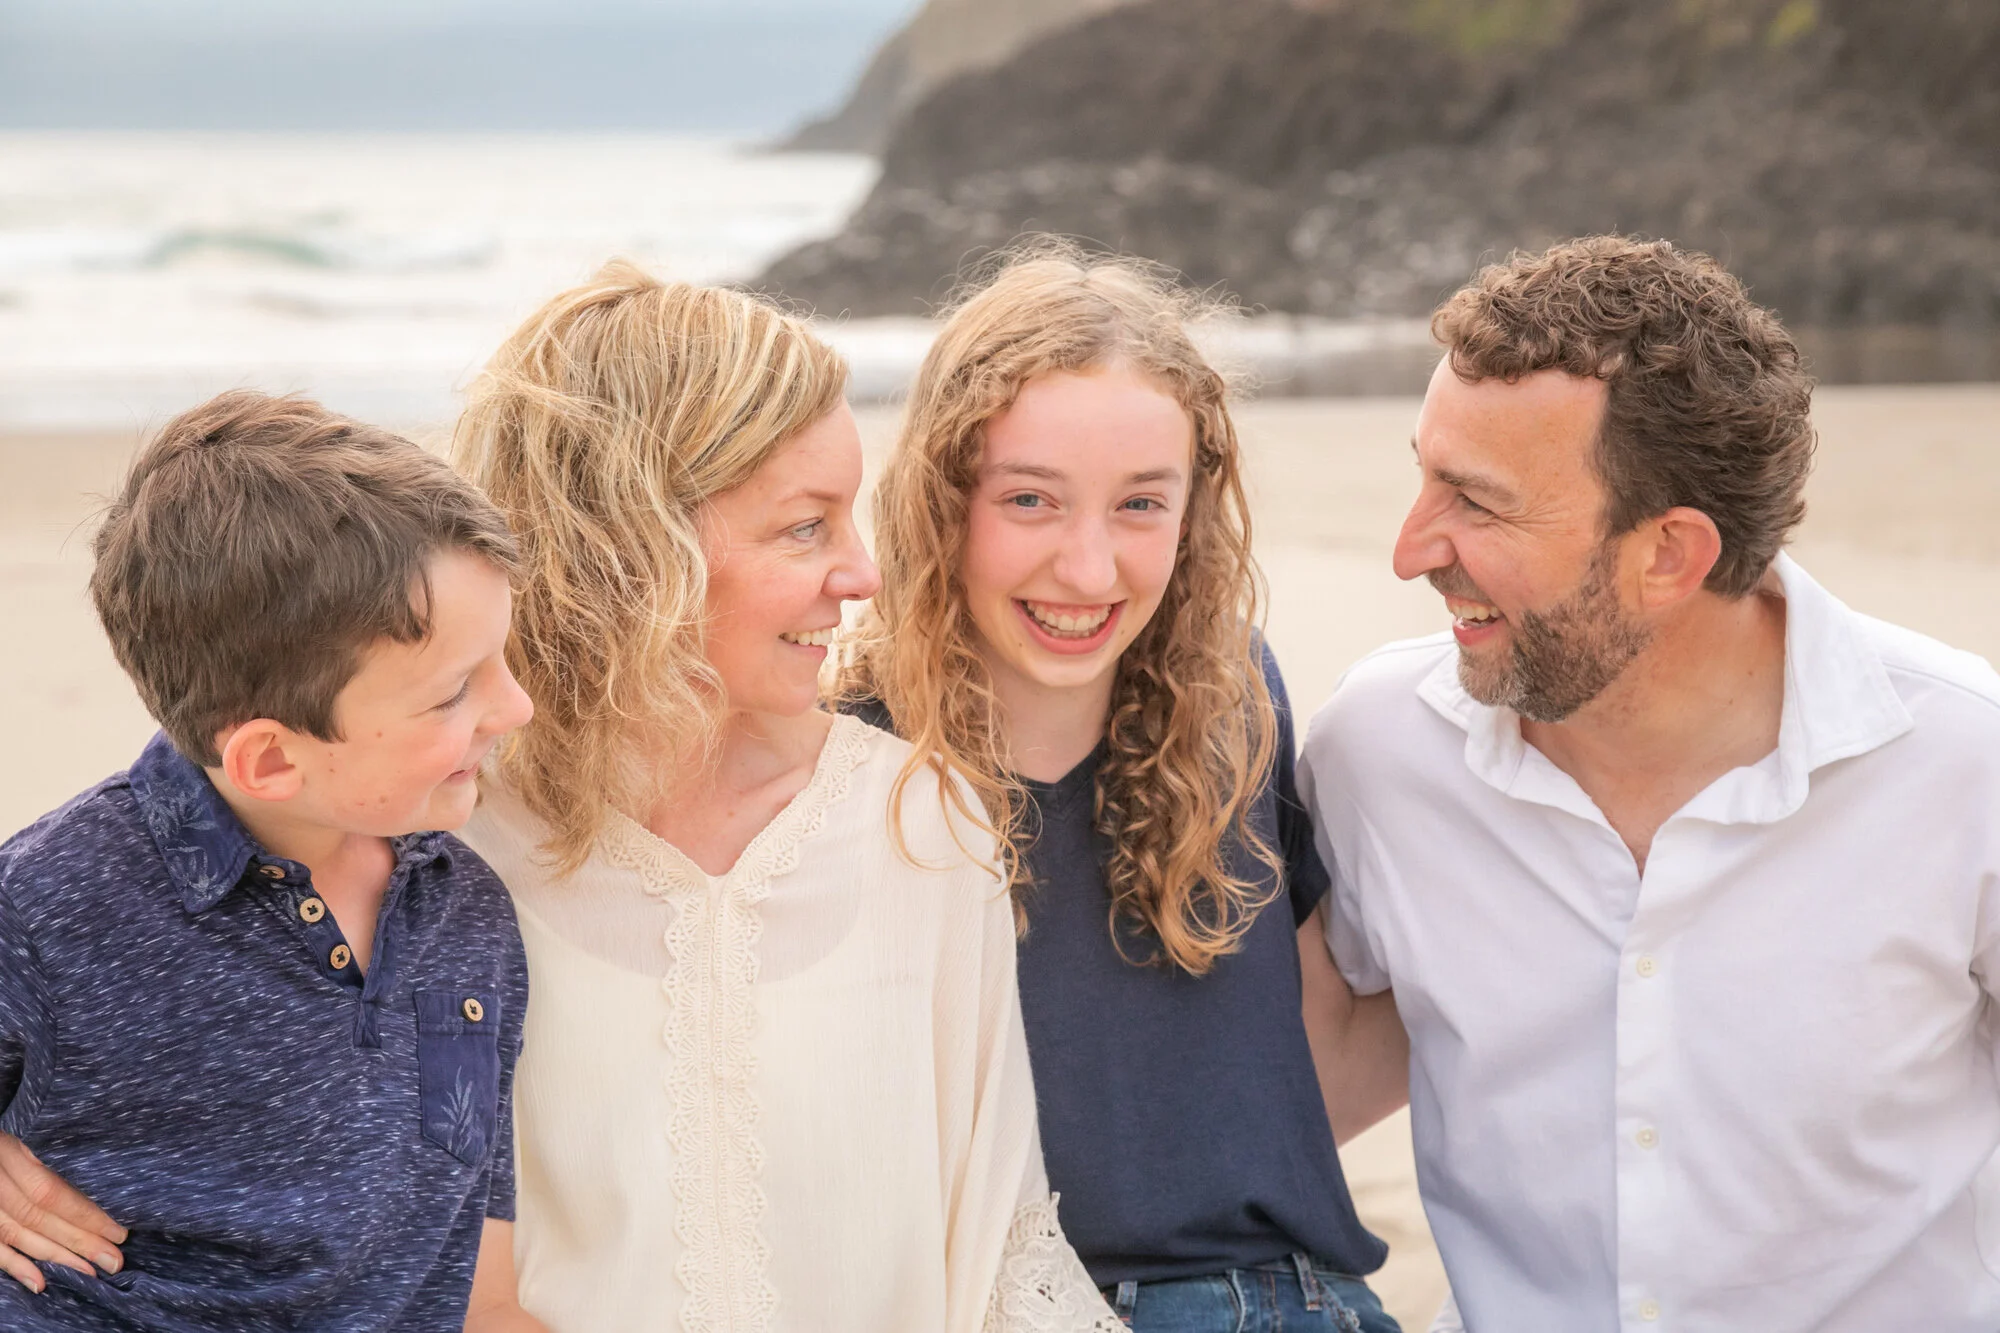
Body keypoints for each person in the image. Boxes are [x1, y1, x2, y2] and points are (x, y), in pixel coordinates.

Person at [1297, 236, 2000, 1331]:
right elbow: (1287, 1091)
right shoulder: (1377, 752)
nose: (1408, 548)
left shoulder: (1966, 766)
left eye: (1474, 504)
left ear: (1668, 554)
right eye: (1422, 475)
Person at [449, 262, 1115, 1331]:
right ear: (631, 550)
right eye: (805, 527)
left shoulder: (921, 823)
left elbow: (1001, 1248)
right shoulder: (449, 840)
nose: (861, 574)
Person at [842, 244, 1404, 1333]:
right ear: (938, 501)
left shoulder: (1234, 697)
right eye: (1030, 501)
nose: (1089, 571)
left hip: (1299, 1301)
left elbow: (1292, 1059)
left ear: (1193, 511)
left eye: (1140, 504)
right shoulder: (855, 763)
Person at [0, 392, 545, 1330]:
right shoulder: (48, 905)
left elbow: (474, 1272)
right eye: (455, 691)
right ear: (270, 759)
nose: (515, 708)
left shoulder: (470, 916)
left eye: (502, 658)